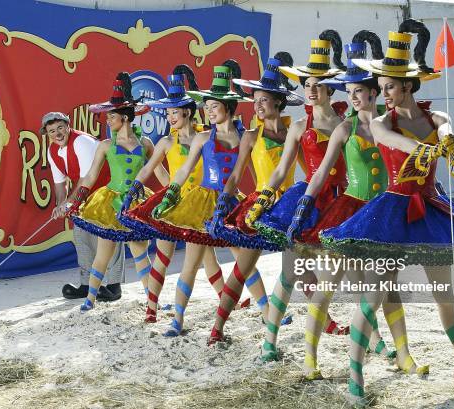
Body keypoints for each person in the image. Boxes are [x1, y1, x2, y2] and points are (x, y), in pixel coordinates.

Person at [320, 19, 454, 403]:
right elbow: (394, 142)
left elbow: (447, 131)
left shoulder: (436, 118)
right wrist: (426, 149)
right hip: (392, 212)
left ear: (408, 86)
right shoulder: (382, 123)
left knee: (445, 295)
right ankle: (355, 379)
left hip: (431, 208)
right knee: (374, 294)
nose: (384, 94)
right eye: (381, 88)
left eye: (389, 87)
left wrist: (448, 144)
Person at [287, 30, 423, 380]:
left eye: (359, 92)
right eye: (349, 93)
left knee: (388, 288)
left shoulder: (391, 127)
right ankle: (309, 359)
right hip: (349, 213)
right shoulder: (343, 129)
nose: (354, 99)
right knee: (326, 286)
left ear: (375, 92)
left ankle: (404, 356)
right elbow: (318, 176)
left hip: (385, 214)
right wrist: (303, 208)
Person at [243, 31, 351, 362]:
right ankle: (269, 343)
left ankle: (369, 339)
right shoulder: (297, 126)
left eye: (317, 83)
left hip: (341, 203)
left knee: (345, 276)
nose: (311, 88)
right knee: (289, 274)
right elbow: (279, 171)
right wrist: (263, 198)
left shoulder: (346, 124)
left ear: (330, 88)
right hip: (306, 202)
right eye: (306, 83)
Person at [205, 53, 304, 344]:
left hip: (290, 206)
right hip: (259, 207)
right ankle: (217, 328)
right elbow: (235, 176)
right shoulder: (250, 135)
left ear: (279, 102)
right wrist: (224, 203)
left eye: (263, 100)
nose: (258, 106)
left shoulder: (294, 132)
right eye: (255, 101)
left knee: (300, 267)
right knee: (241, 269)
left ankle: (326, 321)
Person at [119, 65, 228, 323]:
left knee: (206, 256)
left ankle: (226, 299)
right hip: (173, 203)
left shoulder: (205, 138)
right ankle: (151, 308)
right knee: (164, 256)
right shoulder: (167, 142)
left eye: (174, 112)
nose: (170, 117)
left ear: (187, 112)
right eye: (167, 113)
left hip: (199, 205)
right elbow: (149, 167)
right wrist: (135, 187)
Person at [149, 62, 252, 336]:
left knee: (242, 258)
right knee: (185, 262)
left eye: (213, 106)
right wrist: (169, 194)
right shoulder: (190, 140)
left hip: (226, 202)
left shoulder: (238, 137)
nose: (208, 110)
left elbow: (238, 173)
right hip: (192, 205)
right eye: (206, 106)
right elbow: (176, 171)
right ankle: (170, 316)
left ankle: (266, 311)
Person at [65, 72, 154, 312]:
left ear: (125, 118)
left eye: (111, 116)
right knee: (103, 254)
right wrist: (78, 200)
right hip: (111, 202)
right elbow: (91, 175)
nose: (107, 120)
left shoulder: (145, 144)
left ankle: (152, 302)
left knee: (140, 254)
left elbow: (161, 172)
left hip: (135, 203)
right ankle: (89, 300)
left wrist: (171, 194)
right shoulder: (106, 145)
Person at [43, 111, 123, 302]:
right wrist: (60, 205)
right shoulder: (52, 150)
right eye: (51, 131)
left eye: (60, 128)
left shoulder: (81, 142)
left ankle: (113, 285)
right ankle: (87, 284)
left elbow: (86, 179)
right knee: (82, 237)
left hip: (107, 190)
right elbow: (59, 183)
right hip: (84, 195)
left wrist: (69, 203)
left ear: (68, 126)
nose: (57, 134)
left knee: (109, 236)